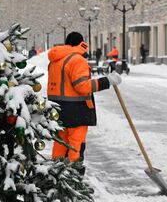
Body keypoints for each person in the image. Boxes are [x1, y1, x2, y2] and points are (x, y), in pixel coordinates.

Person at [47, 32, 122, 162]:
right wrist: (107, 81)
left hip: (57, 110)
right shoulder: (77, 60)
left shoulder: (56, 60)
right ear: (81, 43)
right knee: (76, 145)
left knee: (60, 144)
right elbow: (83, 86)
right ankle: (74, 176)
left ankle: (56, 176)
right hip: (76, 111)